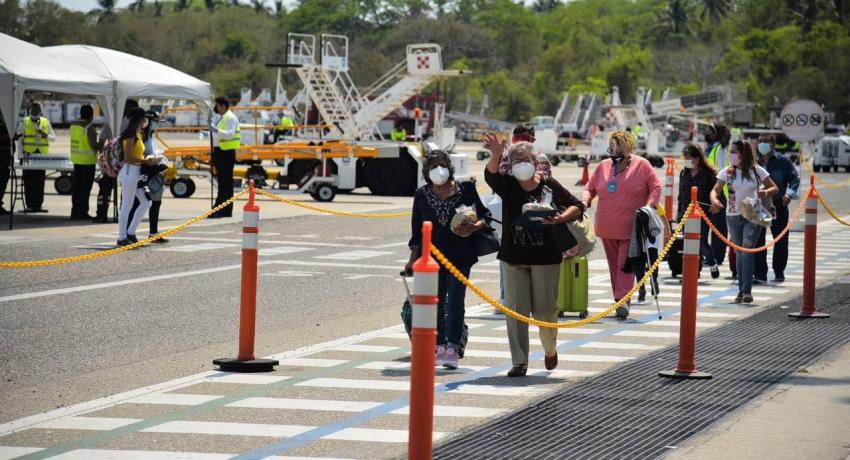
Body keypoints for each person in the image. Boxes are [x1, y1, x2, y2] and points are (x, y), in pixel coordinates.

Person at [484, 140, 584, 377]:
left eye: (525, 161)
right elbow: (490, 176)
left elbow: (577, 206)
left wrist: (558, 218)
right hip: (513, 257)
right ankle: (520, 361)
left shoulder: (548, 185)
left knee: (545, 311)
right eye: (516, 161)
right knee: (516, 311)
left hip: (546, 258)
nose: (521, 166)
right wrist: (497, 154)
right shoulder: (507, 185)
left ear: (535, 162)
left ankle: (550, 349)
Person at [404, 149, 490, 370]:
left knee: (455, 302)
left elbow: (485, 215)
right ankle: (440, 344)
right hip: (432, 257)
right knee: (437, 302)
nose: (438, 170)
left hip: (461, 255)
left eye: (442, 165)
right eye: (433, 167)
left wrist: (475, 226)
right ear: (426, 172)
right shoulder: (422, 195)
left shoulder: (466, 189)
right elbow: (416, 232)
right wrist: (412, 259)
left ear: (449, 167)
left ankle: (453, 346)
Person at [583, 130, 661, 319]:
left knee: (625, 265)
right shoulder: (603, 166)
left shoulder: (642, 165)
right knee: (613, 267)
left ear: (628, 149)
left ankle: (622, 300)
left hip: (631, 227)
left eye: (619, 152)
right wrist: (584, 201)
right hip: (607, 226)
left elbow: (656, 187)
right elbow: (589, 188)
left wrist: (650, 206)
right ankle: (621, 300)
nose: (615, 156)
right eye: (611, 151)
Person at [710, 140, 778, 304]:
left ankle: (746, 290)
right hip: (732, 215)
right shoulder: (727, 172)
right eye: (731, 151)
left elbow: (774, 188)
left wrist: (764, 193)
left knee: (747, 251)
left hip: (752, 215)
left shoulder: (757, 170)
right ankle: (741, 290)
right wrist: (714, 200)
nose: (731, 155)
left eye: (734, 151)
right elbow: (715, 189)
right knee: (739, 253)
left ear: (744, 153)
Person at [754, 134, 799, 283]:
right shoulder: (753, 161)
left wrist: (789, 194)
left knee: (780, 240)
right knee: (757, 241)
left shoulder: (783, 161)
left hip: (778, 205)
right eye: (760, 141)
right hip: (758, 206)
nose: (762, 144)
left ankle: (779, 272)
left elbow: (794, 179)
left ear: (773, 144)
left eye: (765, 142)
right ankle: (760, 274)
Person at [676, 143, 720, 279]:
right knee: (688, 245)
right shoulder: (684, 173)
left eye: (690, 157)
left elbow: (716, 193)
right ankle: (692, 274)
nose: (687, 161)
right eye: (686, 158)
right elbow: (681, 195)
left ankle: (712, 263)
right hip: (686, 214)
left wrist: (715, 204)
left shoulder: (709, 174)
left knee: (702, 244)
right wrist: (679, 213)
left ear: (697, 158)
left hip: (703, 214)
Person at [117, 108, 157, 246]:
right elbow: (128, 157)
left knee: (147, 202)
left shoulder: (138, 134)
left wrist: (148, 159)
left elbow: (137, 155)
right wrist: (147, 161)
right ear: (140, 120)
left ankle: (131, 232)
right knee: (127, 205)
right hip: (129, 172)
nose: (146, 121)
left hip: (136, 172)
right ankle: (122, 237)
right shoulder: (130, 135)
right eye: (144, 118)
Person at [94, 100, 138, 223]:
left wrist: (103, 156)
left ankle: (111, 214)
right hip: (119, 161)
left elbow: (102, 139)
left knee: (114, 188)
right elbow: (102, 139)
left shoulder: (118, 122)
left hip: (119, 161)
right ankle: (109, 213)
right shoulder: (123, 123)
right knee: (111, 187)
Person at [128, 111, 169, 243]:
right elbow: (140, 155)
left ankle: (152, 232)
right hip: (145, 174)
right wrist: (151, 160)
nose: (157, 125)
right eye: (156, 122)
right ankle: (130, 232)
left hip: (152, 173)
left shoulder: (149, 136)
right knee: (139, 204)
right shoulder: (141, 137)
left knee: (153, 203)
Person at [14, 103, 55, 213]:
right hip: (29, 155)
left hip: (42, 156)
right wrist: (20, 156)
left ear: (41, 110)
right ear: (30, 109)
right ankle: (30, 205)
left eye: (38, 108)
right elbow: (19, 140)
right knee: (29, 181)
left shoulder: (45, 122)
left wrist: (45, 134)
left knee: (40, 181)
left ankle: (38, 205)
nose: (36, 110)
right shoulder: (24, 121)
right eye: (34, 108)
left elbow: (53, 139)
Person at [705, 123, 732, 271]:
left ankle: (717, 255)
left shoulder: (719, 148)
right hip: (711, 190)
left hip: (718, 192)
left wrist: (717, 192)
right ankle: (711, 254)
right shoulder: (713, 147)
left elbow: (722, 170)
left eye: (710, 130)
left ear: (716, 133)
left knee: (718, 227)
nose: (707, 133)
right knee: (712, 225)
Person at [209, 97, 240, 218]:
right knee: (224, 182)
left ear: (222, 106)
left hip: (225, 153)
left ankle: (220, 209)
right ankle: (225, 209)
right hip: (221, 152)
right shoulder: (224, 118)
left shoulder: (230, 118)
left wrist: (215, 129)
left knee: (224, 183)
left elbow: (229, 134)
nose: (216, 108)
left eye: (217, 105)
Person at [69, 105, 99, 220]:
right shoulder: (89, 127)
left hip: (77, 160)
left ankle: (74, 211)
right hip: (87, 162)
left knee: (77, 188)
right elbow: (93, 145)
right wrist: (101, 145)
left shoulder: (74, 126)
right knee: (85, 189)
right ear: (91, 115)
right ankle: (82, 212)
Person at [0, 115, 12, 216]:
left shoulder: (6, 122)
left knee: (3, 181)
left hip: (7, 154)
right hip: (2, 154)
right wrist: (10, 136)